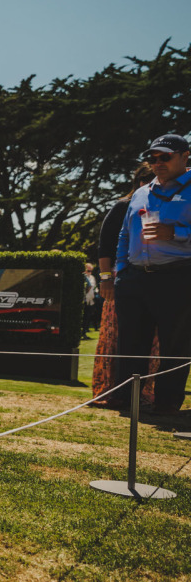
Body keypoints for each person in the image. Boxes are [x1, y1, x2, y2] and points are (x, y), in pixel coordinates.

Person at [113, 134, 191, 415]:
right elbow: (124, 234)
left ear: (185, 155)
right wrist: (120, 272)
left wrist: (176, 233)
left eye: (165, 157)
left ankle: (165, 405)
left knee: (175, 346)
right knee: (131, 343)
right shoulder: (141, 192)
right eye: (153, 158)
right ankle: (128, 402)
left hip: (178, 278)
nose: (157, 163)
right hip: (134, 279)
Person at [92, 162, 158, 407]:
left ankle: (145, 392)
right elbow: (105, 245)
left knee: (151, 341)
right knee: (117, 336)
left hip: (153, 282)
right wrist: (106, 278)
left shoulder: (164, 206)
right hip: (122, 280)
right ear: (139, 181)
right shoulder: (123, 205)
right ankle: (113, 390)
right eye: (148, 179)